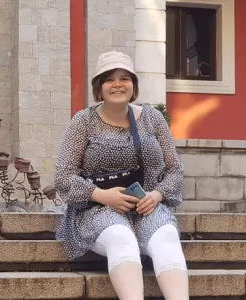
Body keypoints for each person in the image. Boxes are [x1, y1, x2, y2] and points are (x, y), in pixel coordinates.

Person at [54, 51, 189, 300]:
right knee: (121, 237)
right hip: (98, 209)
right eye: (109, 79)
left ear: (133, 85)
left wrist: (157, 195)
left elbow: (174, 169)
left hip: (147, 206)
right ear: (99, 87)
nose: (117, 84)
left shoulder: (153, 118)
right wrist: (101, 195)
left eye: (125, 78)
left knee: (167, 237)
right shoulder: (83, 121)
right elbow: (63, 175)